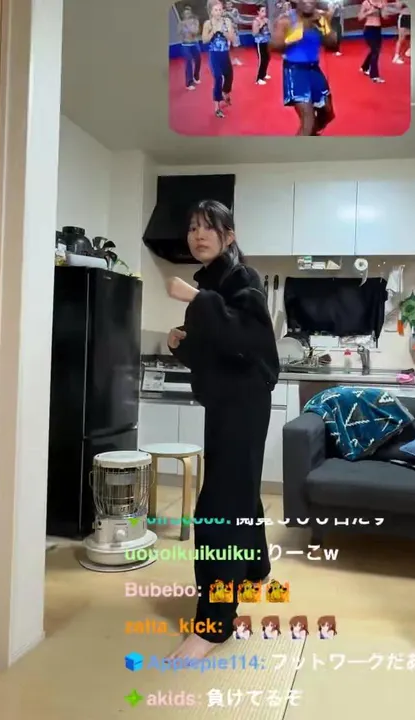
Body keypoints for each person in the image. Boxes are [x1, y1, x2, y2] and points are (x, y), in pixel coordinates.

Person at [163, 200, 279, 661]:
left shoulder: (242, 279)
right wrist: (181, 344)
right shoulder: (211, 281)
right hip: (226, 403)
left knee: (217, 509)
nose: (198, 235)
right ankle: (255, 569)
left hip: (244, 404)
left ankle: (214, 624)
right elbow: (214, 350)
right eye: (192, 227)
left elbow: (249, 338)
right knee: (240, 490)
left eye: (208, 227)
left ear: (229, 236)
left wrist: (197, 301)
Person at [270, 0, 340, 136]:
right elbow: (273, 46)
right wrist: (290, 39)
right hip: (295, 71)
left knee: (328, 113)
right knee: (308, 121)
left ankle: (309, 138)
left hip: (314, 69)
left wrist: (324, 29)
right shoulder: (286, 20)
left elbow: (333, 43)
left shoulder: (320, 18)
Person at [203, 3, 239, 118]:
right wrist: (213, 31)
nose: (218, 12)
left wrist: (223, 32)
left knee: (229, 76)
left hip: (225, 54)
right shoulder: (208, 23)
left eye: (220, 10)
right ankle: (217, 106)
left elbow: (232, 38)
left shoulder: (227, 22)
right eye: (216, 10)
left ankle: (225, 92)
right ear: (211, 12)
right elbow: (204, 40)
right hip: (214, 55)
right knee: (218, 78)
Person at [357, 0, 387, 83]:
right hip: (369, 29)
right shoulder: (366, 3)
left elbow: (385, 17)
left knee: (375, 50)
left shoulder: (382, 2)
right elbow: (359, 17)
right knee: (375, 51)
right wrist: (369, 12)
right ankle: (374, 76)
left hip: (378, 29)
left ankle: (365, 67)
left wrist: (383, 9)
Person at [178, 5, 203, 90]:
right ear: (183, 14)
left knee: (198, 60)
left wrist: (187, 26)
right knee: (188, 62)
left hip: (194, 44)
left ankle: (196, 76)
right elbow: (179, 33)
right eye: (185, 13)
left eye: (188, 13)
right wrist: (183, 29)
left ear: (191, 13)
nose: (187, 15)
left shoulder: (195, 21)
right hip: (185, 45)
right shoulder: (181, 23)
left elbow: (195, 32)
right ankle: (189, 83)